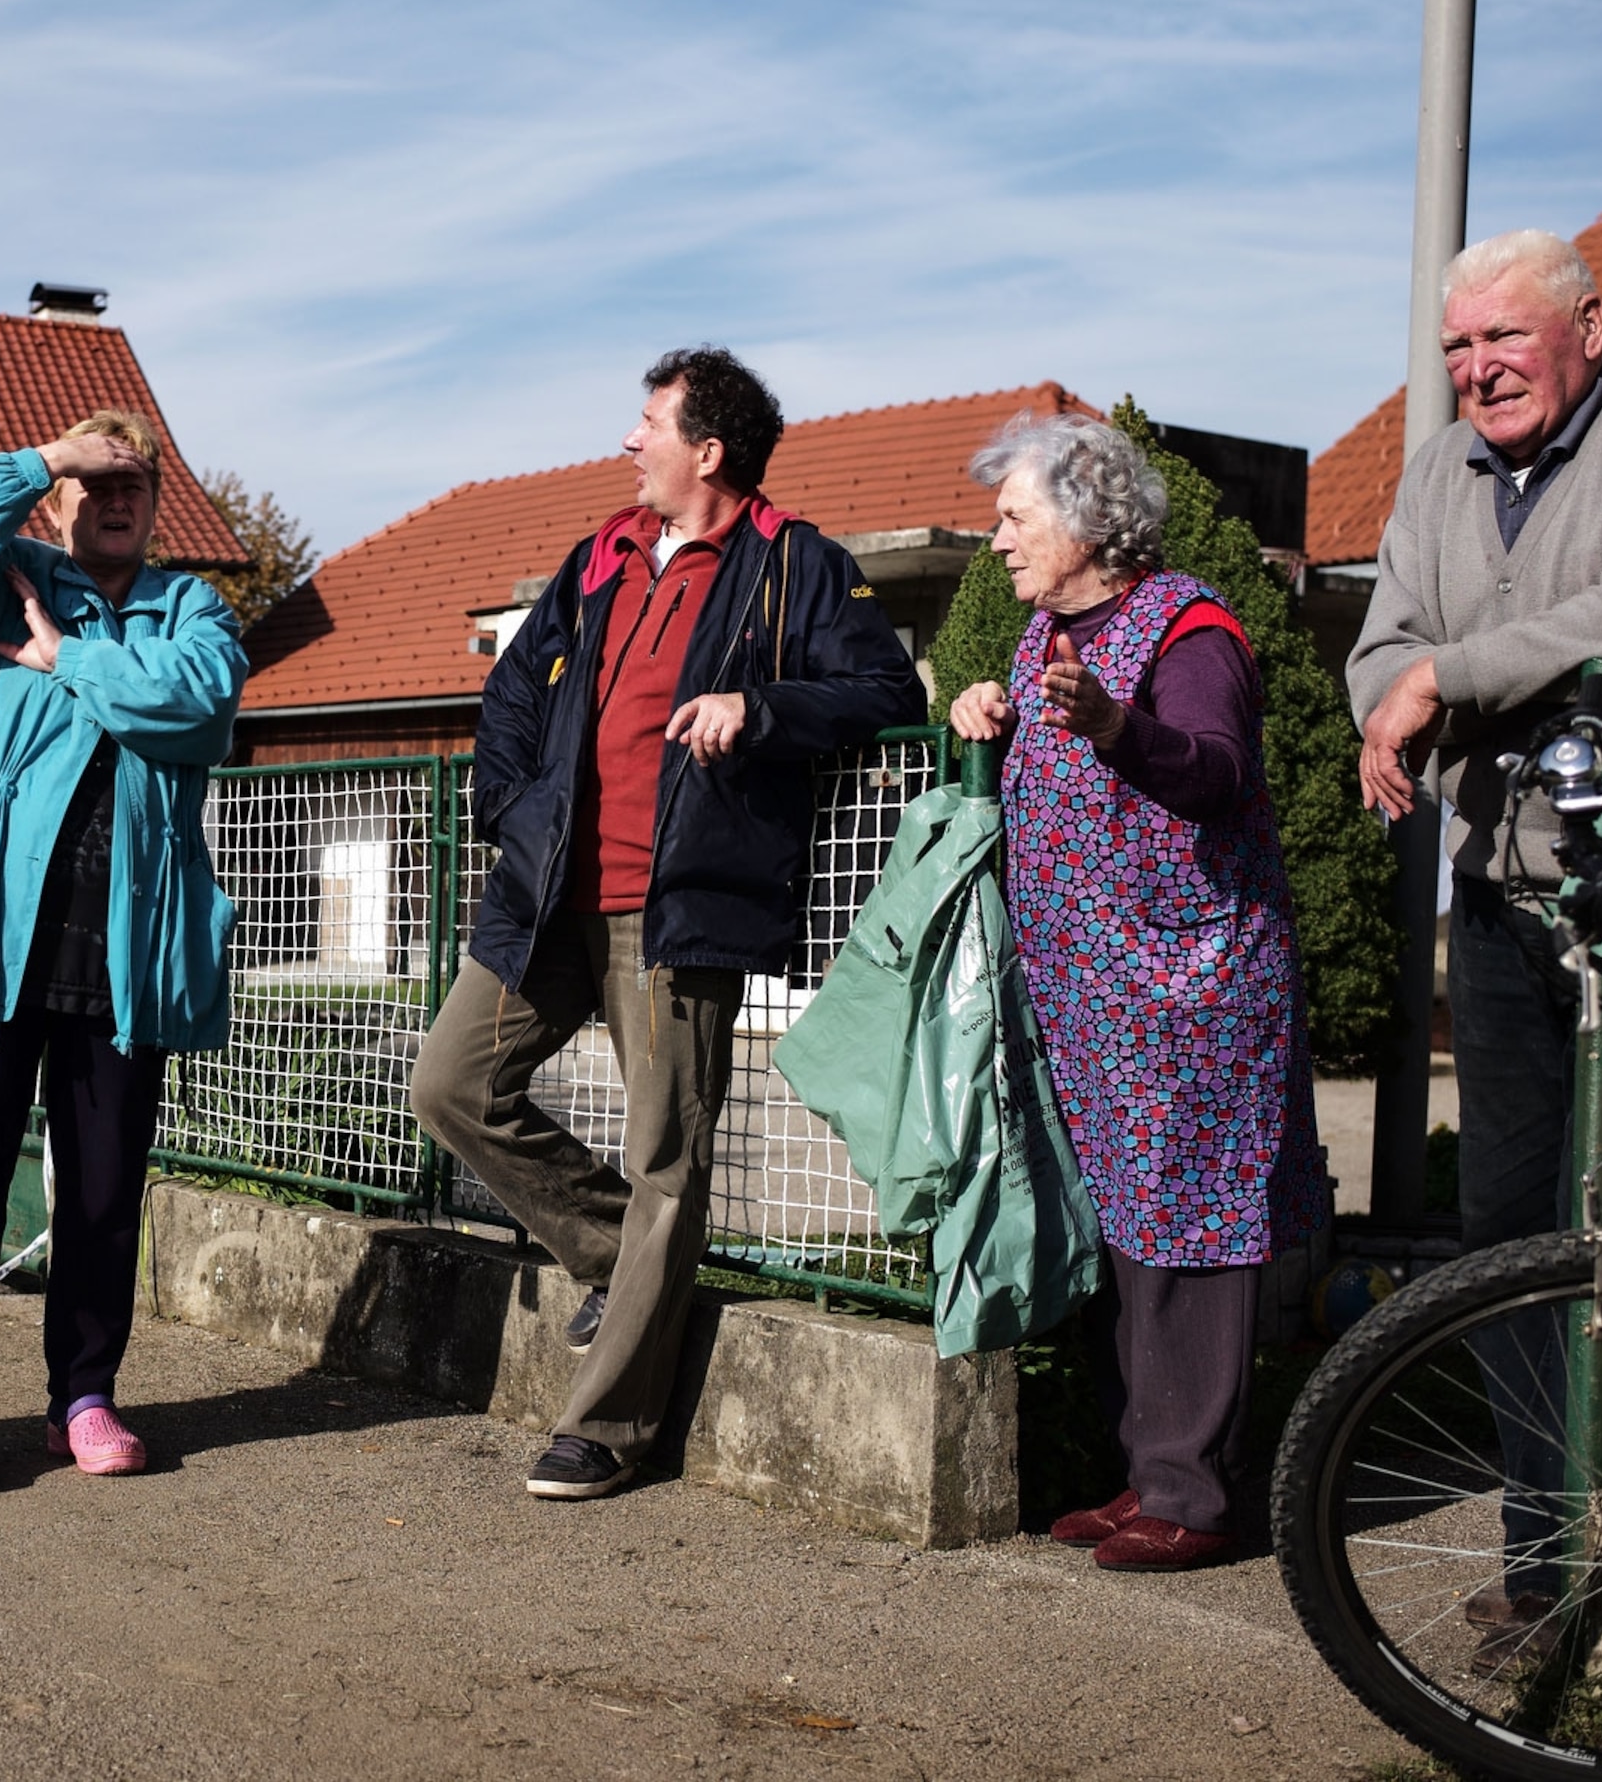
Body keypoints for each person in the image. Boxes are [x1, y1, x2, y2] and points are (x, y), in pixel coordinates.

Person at [1346, 227, 1602, 1634]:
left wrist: (1449, 680)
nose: (1478, 370)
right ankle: (1544, 1559)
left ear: (1587, 324)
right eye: (1458, 348)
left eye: (1503, 339)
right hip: (1500, 893)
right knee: (1508, 1233)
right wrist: (1403, 689)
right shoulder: (1437, 475)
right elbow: (1375, 650)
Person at [413, 347, 923, 1502]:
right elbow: (511, 693)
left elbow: (889, 693)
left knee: (666, 1157)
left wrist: (763, 705)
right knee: (449, 1083)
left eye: (648, 423)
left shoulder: (794, 565)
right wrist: (509, 805)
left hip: (678, 906)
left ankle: (611, 1424)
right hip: (546, 893)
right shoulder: (600, 554)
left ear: (709, 449)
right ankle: (619, 1257)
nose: (629, 443)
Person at [947, 412, 1324, 1570]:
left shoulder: (1190, 626)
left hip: (1188, 987)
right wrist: (979, 714)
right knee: (1128, 1231)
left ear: (1087, 517)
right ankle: (1146, 1469)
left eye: (1014, 516)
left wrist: (1117, 726)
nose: (997, 539)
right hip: (1097, 993)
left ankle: (1197, 1497)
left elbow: (1214, 770)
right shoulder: (1043, 635)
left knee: (1192, 1233)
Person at [0, 410, 246, 1493]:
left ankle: (83, 1394)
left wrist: (68, 656)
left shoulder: (194, 607)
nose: (116, 497)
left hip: (125, 948)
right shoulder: (4, 579)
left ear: (158, 503)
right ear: (64, 496)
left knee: (101, 1190)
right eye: (97, 480)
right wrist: (44, 456)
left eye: (136, 482)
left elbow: (199, 706)